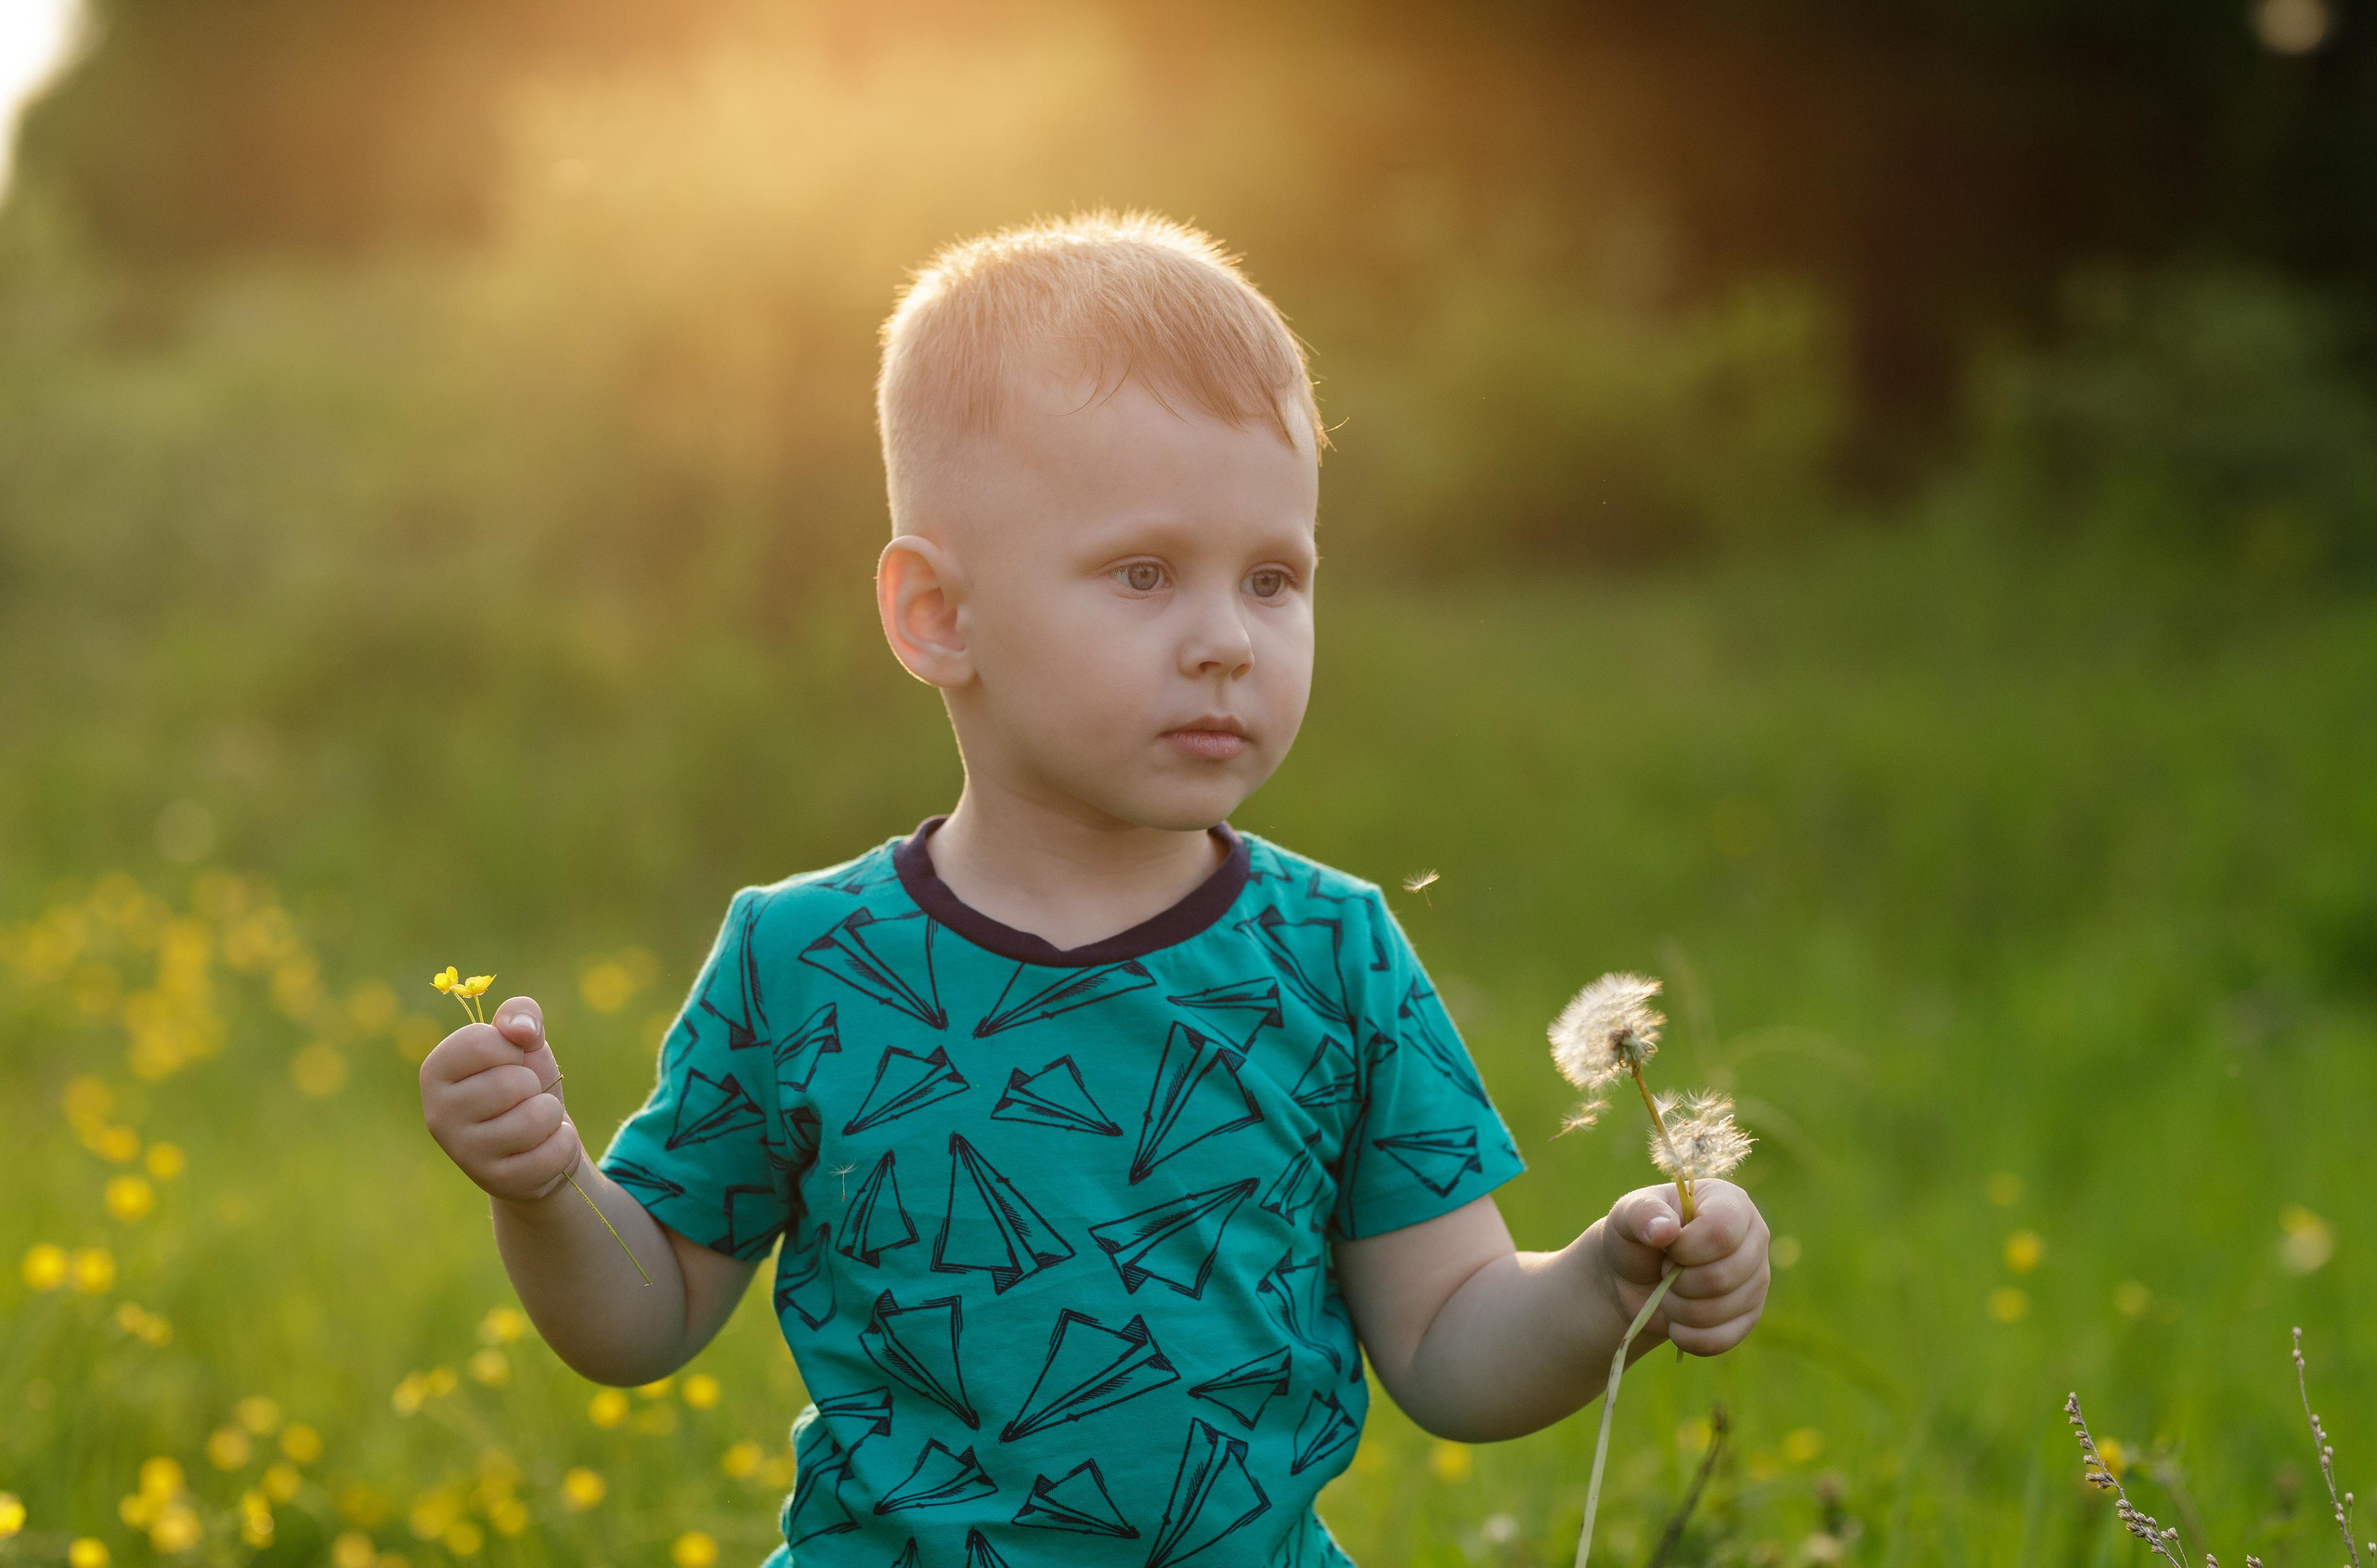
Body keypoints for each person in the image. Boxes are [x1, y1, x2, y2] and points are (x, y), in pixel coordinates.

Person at [418, 209, 1771, 1567]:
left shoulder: (1337, 956)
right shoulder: (803, 961)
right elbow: (638, 1321)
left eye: (1274, 578)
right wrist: (545, 1191)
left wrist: (1605, 1283)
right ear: (938, 617)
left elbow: (1448, 1341)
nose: (1227, 642)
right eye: (1144, 573)